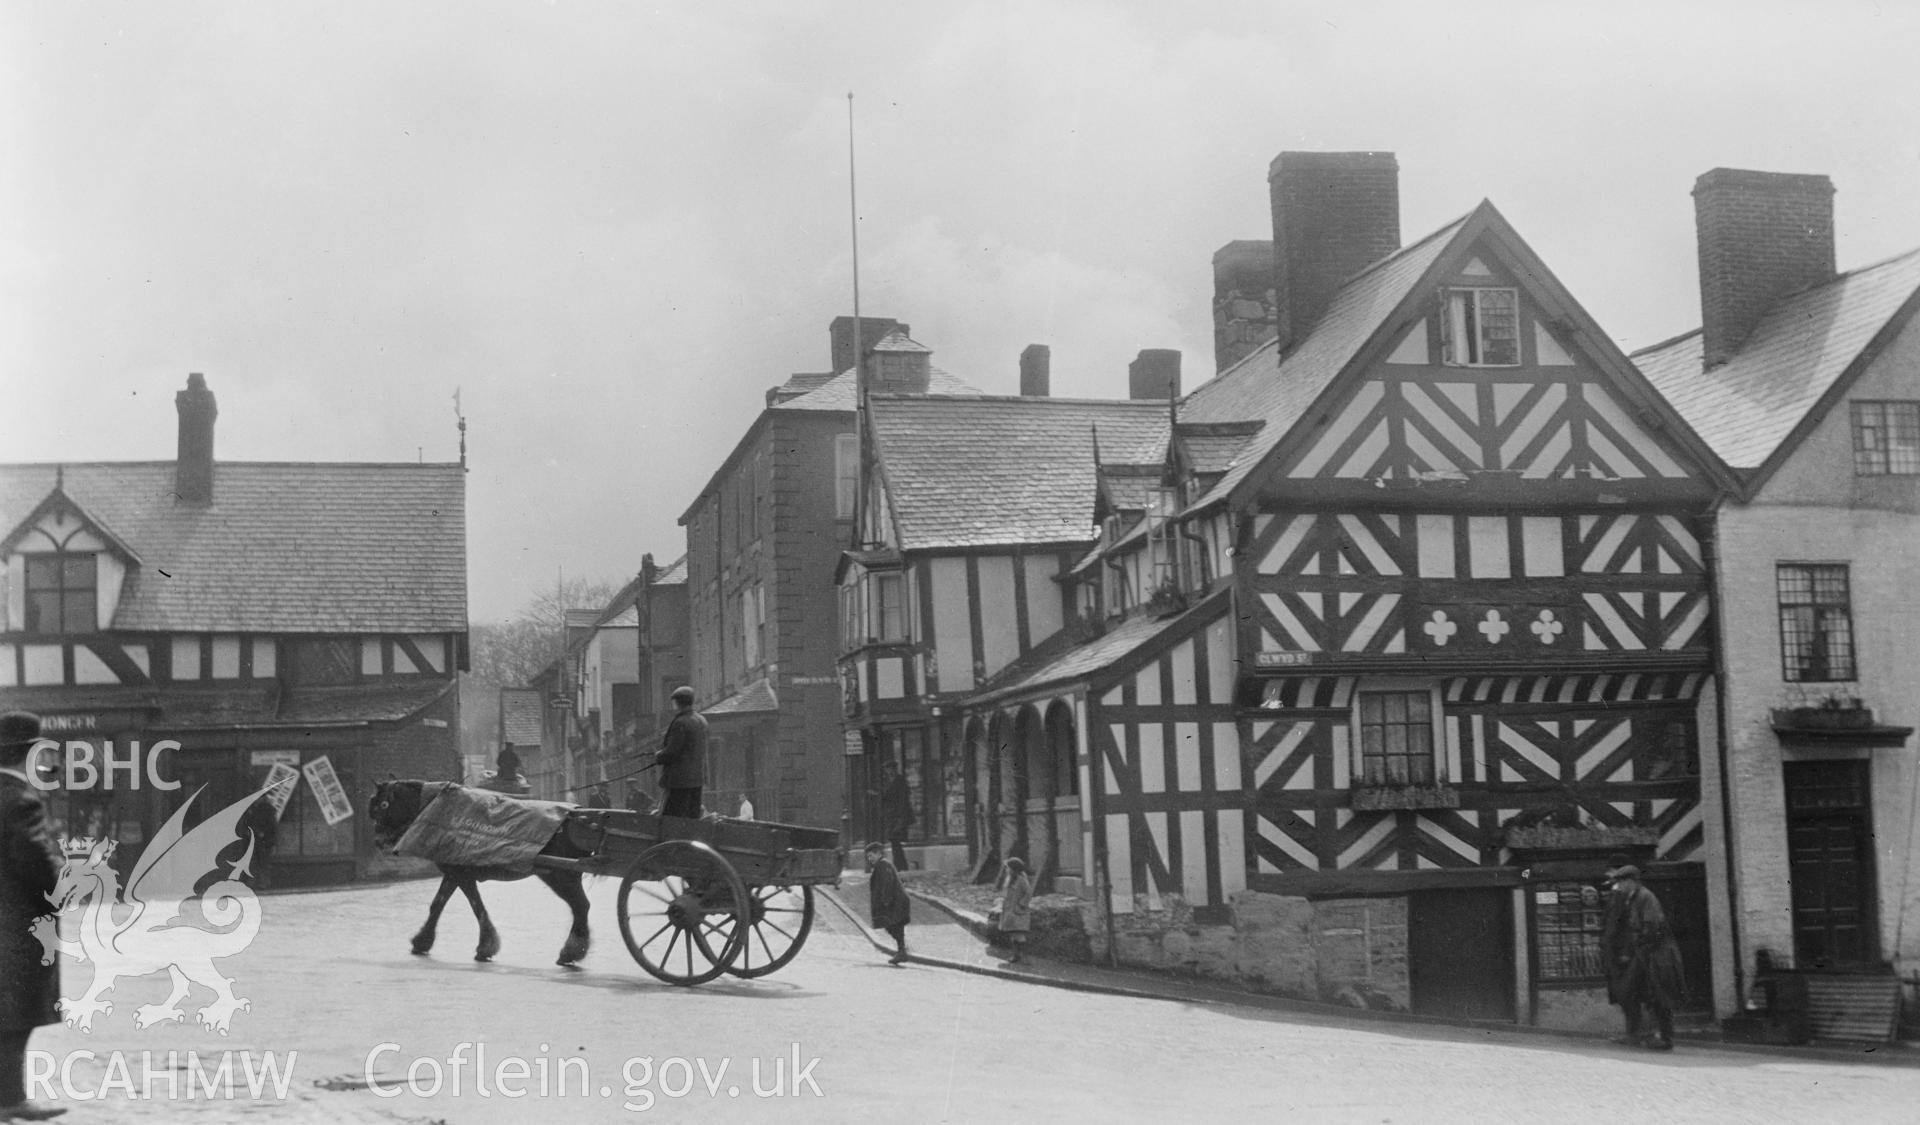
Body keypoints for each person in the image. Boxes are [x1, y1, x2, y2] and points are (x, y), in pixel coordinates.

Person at [1, 712, 67, 1121]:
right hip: (15, 925)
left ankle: (9, 1098)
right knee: (15, 1014)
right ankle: (9, 1101)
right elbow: (36, 858)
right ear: (29, 754)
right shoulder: (20, 799)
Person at [1604, 861, 1685, 1051]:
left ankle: (1665, 1038)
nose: (1620, 886)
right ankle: (1640, 1034)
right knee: (1635, 992)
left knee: (1658, 996)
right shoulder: (1632, 898)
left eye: (1623, 881)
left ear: (1633, 881)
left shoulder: (1646, 897)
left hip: (1657, 955)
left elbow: (1653, 927)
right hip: (1644, 954)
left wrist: (1639, 946)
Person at [654, 686, 707, 820]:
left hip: (678, 781)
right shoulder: (701, 721)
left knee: (670, 818)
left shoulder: (680, 723)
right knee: (692, 817)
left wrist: (658, 756)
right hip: (697, 780)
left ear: (677, 703)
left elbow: (672, 752)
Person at [865, 842, 909, 965]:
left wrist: (885, 900)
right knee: (893, 926)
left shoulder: (883, 866)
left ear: (879, 854)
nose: (870, 859)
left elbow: (887, 883)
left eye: (871, 855)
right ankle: (902, 951)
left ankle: (902, 951)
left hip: (895, 902)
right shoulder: (882, 865)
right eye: (868, 856)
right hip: (895, 901)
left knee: (893, 925)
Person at [869, 761, 912, 870]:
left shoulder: (899, 780)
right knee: (894, 840)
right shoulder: (888, 781)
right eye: (886, 769)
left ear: (894, 769)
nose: (888, 771)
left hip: (898, 815)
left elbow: (902, 798)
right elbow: (886, 795)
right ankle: (900, 865)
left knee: (894, 838)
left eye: (889, 769)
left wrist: (901, 815)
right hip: (891, 815)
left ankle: (901, 865)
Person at [998, 856, 1034, 965]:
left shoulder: (1021, 880)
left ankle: (1023, 957)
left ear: (1014, 869)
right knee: (1013, 934)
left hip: (1018, 912)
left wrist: (1021, 905)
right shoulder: (1010, 879)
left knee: (1019, 934)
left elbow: (1028, 893)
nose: (1007, 870)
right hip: (1010, 911)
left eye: (1008, 868)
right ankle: (1016, 955)